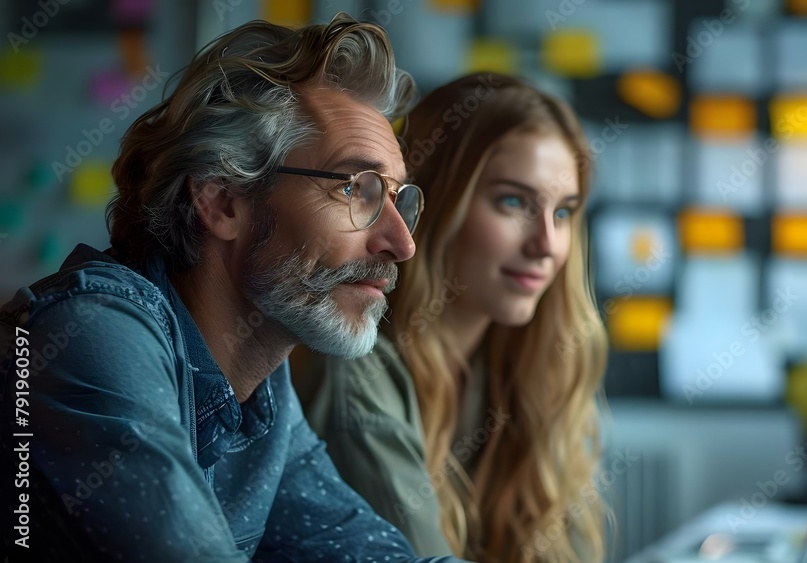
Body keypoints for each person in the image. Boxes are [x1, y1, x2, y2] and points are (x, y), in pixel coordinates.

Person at [0, 13, 463, 562]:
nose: (400, 243)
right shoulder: (89, 331)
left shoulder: (262, 382)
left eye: (398, 199)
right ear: (223, 201)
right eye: (354, 190)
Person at [298, 73, 609, 562]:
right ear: (434, 203)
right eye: (514, 202)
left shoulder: (521, 370)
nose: (546, 245)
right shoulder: (357, 370)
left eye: (563, 212)